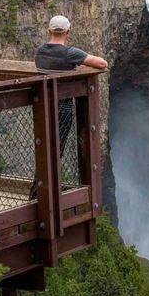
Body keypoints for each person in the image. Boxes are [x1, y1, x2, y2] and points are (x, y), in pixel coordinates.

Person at [29, 15, 107, 200]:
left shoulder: (39, 52)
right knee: (56, 151)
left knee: (45, 149)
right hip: (62, 110)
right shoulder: (70, 53)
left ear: (48, 30)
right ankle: (40, 195)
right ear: (68, 32)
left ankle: (39, 192)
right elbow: (102, 64)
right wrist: (75, 69)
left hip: (42, 108)